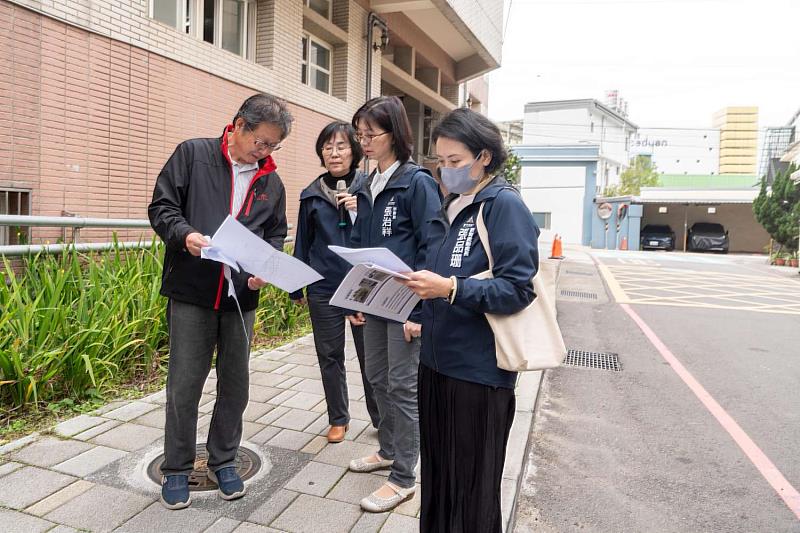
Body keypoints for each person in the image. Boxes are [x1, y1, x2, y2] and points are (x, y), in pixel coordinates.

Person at [148, 93, 293, 510]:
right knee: (185, 383)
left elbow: (275, 232)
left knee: (235, 383)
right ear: (239, 125)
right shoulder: (193, 155)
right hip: (192, 290)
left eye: (272, 146)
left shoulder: (270, 181)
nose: (264, 152)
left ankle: (224, 459)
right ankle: (177, 468)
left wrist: (266, 265)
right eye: (261, 142)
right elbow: (162, 208)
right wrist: (186, 236)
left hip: (241, 297)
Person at [400, 107, 540, 532]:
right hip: (436, 364)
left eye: (455, 161)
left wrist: (451, 289)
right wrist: (419, 308)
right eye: (440, 162)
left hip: (479, 374)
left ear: (483, 156)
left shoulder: (503, 205)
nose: (446, 171)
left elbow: (519, 289)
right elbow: (438, 273)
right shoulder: (451, 205)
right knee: (440, 478)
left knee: (473, 486)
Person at [346, 96, 442, 513]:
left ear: (396, 134)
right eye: (360, 134)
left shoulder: (416, 182)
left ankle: (404, 475)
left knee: (402, 385)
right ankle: (387, 449)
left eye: (372, 134)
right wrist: (358, 296)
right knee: (376, 375)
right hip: (378, 299)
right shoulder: (368, 184)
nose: (363, 142)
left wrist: (420, 313)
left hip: (408, 303)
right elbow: (365, 247)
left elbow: (432, 246)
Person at [289, 121, 380, 443]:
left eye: (341, 146)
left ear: (354, 151)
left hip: (363, 285)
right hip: (324, 285)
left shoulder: (371, 189)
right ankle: (338, 418)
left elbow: (382, 238)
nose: (334, 153)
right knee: (330, 355)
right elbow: (303, 241)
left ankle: (380, 417)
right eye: (328, 147)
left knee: (371, 355)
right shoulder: (311, 195)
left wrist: (363, 211)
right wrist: (295, 285)